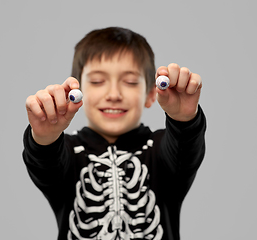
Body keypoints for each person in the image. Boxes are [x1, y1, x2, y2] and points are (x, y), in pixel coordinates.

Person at [23, 27, 206, 240]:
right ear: (76, 91)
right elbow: (45, 163)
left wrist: (184, 119)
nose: (113, 95)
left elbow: (185, 147)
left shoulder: (161, 153)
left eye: (129, 82)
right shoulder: (68, 154)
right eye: (97, 81)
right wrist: (45, 137)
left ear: (150, 94)